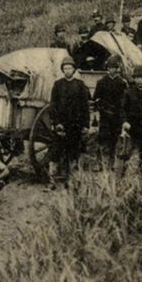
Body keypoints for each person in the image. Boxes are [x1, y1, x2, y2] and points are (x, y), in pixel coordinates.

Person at [47, 56, 90, 189]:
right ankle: (52, 182)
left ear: (74, 69)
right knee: (55, 153)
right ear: (62, 70)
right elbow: (52, 105)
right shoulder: (57, 85)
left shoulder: (80, 85)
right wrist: (57, 122)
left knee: (73, 153)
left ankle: (73, 181)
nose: (67, 71)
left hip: (75, 126)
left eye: (69, 68)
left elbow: (85, 108)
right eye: (65, 68)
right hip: (61, 126)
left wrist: (85, 125)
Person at [92, 55, 127, 171]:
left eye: (114, 68)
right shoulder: (101, 82)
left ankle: (112, 163)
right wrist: (99, 105)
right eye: (109, 68)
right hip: (105, 114)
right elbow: (96, 97)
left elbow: (124, 100)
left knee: (114, 139)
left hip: (116, 115)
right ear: (107, 68)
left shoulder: (122, 83)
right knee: (102, 138)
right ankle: (100, 163)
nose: (111, 70)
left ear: (117, 69)